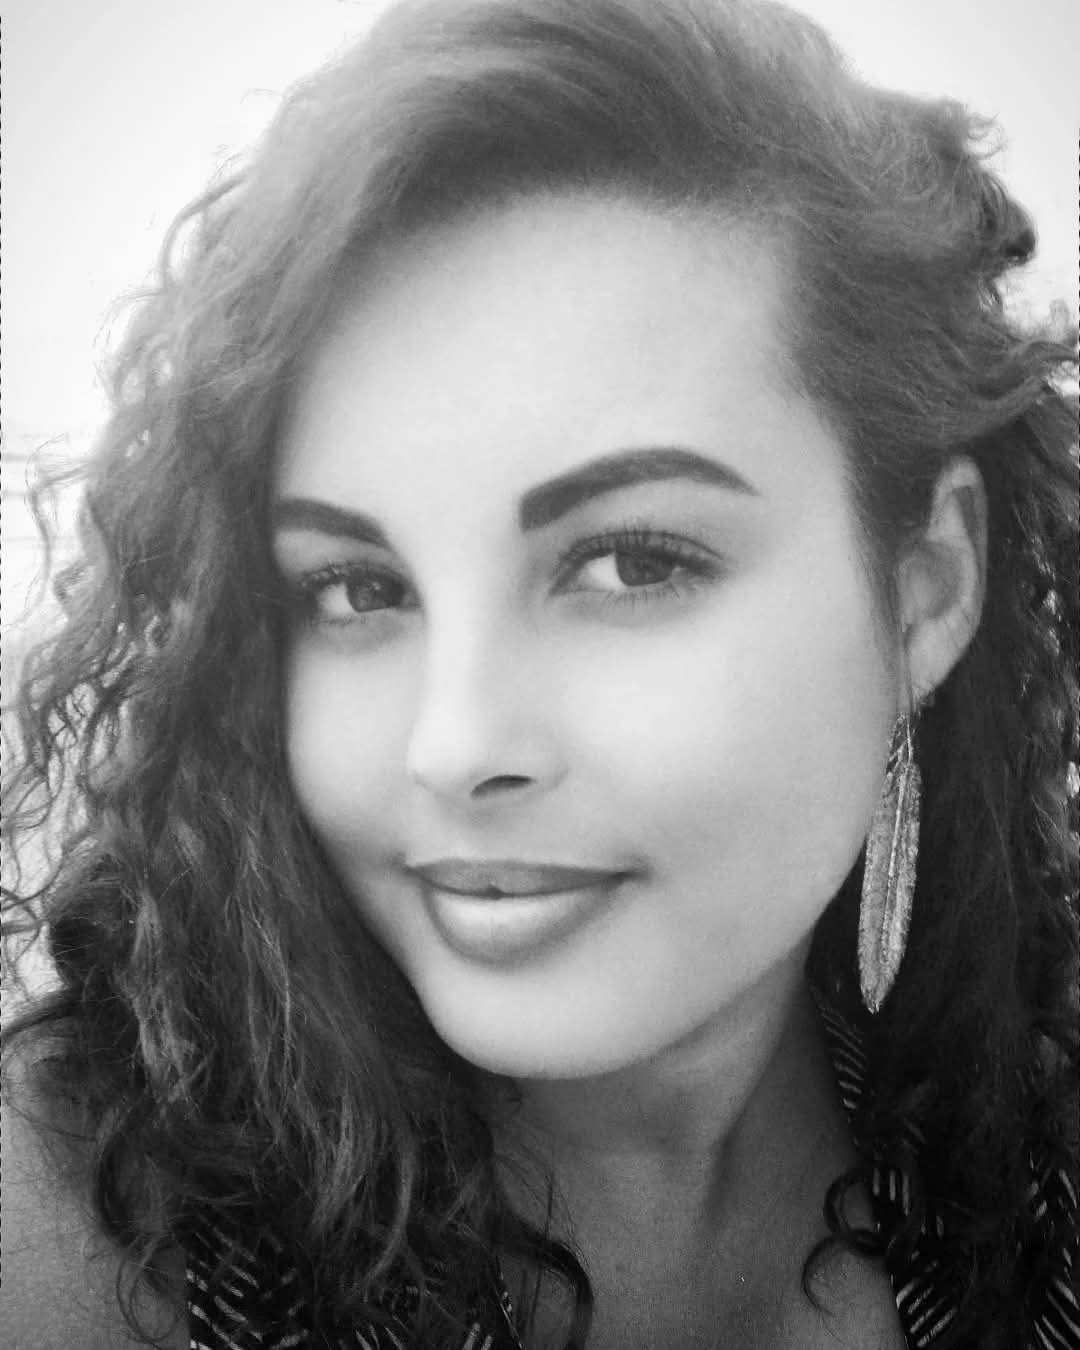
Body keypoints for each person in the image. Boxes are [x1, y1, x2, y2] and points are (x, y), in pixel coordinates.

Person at [2, 1, 1077, 1347]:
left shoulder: (1040, 1165)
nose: (455, 746)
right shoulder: (72, 1249)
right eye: (359, 589)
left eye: (631, 562)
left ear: (925, 587)